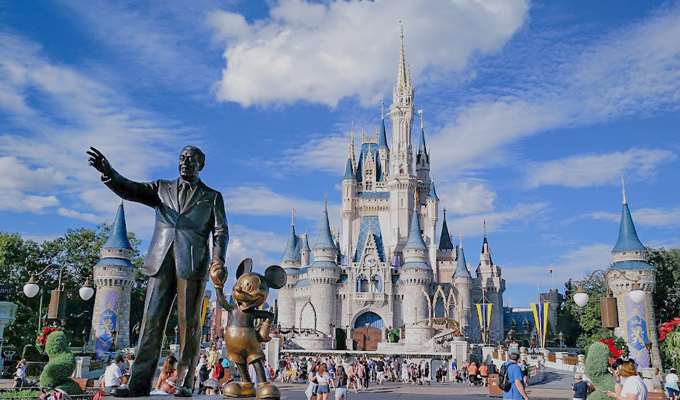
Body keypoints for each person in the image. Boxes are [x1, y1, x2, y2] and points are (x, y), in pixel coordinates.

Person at [88, 145, 228, 398]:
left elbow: (220, 231)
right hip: (160, 259)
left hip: (193, 263)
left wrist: (217, 260)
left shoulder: (212, 196)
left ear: (201, 165)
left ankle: (184, 383)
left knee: (189, 324)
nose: (185, 162)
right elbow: (131, 189)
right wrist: (109, 173)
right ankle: (138, 384)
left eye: (191, 159)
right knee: (151, 321)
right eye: (182, 158)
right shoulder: (161, 188)